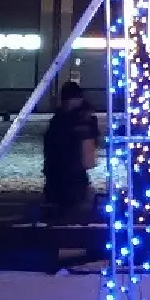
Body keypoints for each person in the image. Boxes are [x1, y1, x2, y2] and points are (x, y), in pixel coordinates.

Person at [42, 81, 100, 222]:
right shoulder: (83, 120)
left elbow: (51, 144)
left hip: (64, 173)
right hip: (68, 173)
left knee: (64, 212)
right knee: (70, 212)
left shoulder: (64, 119)